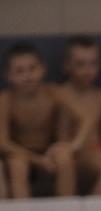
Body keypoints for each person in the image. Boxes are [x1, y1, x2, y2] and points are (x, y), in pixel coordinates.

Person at [1, 43, 76, 198]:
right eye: (20, 71)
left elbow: (87, 117)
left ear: (43, 68)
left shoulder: (53, 93)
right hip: (21, 154)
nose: (27, 76)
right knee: (17, 164)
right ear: (8, 75)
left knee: (64, 157)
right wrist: (38, 160)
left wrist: (72, 145)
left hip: (49, 152)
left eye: (32, 69)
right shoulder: (5, 100)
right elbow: (3, 142)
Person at [57, 37, 101, 196]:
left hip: (99, 152)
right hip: (74, 154)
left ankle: (97, 208)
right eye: (81, 64)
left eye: (93, 64)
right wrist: (77, 147)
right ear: (67, 66)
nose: (88, 70)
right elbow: (61, 136)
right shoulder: (61, 94)